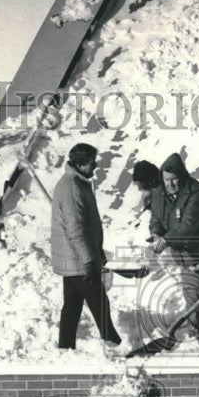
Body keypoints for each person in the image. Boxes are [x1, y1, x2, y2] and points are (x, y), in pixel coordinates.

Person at [149, 152, 199, 346]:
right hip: (188, 256)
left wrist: (166, 241)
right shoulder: (160, 192)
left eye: (174, 179)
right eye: (166, 179)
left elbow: (188, 226)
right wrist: (156, 234)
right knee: (194, 301)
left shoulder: (196, 194)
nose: (170, 184)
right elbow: (156, 218)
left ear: (183, 176)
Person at [50, 142, 122, 350]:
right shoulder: (72, 188)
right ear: (80, 163)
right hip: (79, 260)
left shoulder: (75, 183)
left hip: (73, 259)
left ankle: (65, 348)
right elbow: (75, 230)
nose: (96, 166)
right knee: (100, 304)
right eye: (92, 162)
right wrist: (90, 260)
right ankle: (115, 345)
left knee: (72, 306)